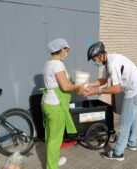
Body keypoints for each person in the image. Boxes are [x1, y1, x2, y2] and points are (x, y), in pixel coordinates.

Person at [83, 41, 137, 161]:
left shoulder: (112, 63)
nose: (95, 62)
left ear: (100, 55)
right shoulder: (108, 62)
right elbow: (103, 80)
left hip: (134, 91)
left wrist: (97, 91)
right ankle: (132, 143)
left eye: (94, 59)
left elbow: (117, 89)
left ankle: (118, 153)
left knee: (125, 123)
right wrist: (87, 85)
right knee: (133, 118)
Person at [41, 38, 85, 169]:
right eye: (66, 50)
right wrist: (79, 86)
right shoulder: (57, 65)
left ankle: (52, 160)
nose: (67, 53)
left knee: (50, 136)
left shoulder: (48, 63)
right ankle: (52, 166)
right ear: (61, 49)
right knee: (55, 140)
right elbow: (65, 87)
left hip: (47, 102)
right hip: (56, 105)